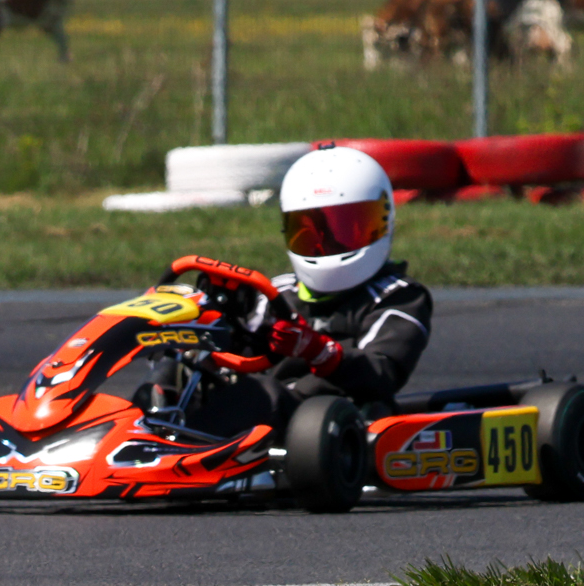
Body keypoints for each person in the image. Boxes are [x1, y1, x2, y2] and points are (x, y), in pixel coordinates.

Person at [179, 144, 434, 435]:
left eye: (345, 228)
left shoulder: (399, 296)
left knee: (264, 393)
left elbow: (382, 372)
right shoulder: (278, 292)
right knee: (178, 372)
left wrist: (321, 352)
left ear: (382, 221)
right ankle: (148, 435)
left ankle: (190, 448)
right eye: (311, 231)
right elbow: (243, 355)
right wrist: (213, 328)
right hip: (265, 413)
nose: (327, 243)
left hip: (338, 422)